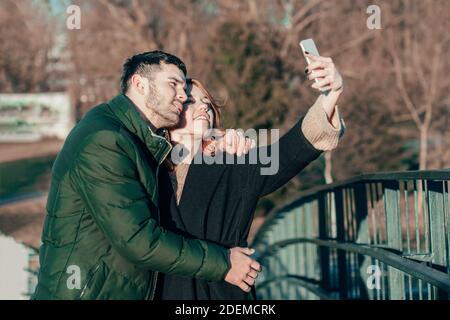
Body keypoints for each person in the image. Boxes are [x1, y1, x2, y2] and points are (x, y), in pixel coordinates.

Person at [32, 51, 261, 300]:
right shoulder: (105, 139)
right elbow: (138, 239)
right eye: (173, 84)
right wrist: (224, 263)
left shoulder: (141, 138)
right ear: (139, 84)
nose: (183, 95)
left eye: (184, 87)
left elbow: (185, 156)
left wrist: (216, 140)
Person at [155, 52, 345, 299]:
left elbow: (287, 153)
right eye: (190, 101)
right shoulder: (149, 168)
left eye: (207, 103)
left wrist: (331, 95)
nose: (202, 106)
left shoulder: (233, 163)